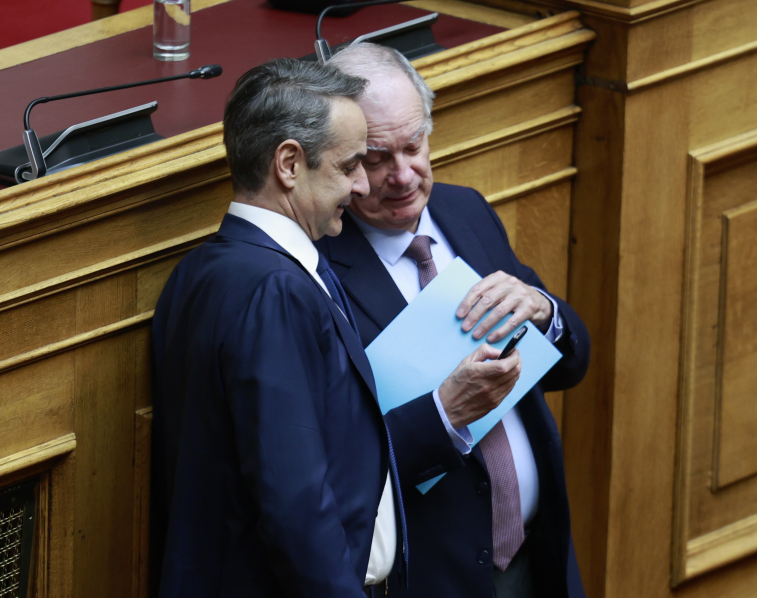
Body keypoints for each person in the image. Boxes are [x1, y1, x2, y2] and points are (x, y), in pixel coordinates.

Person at [319, 44, 591, 598]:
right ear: (340, 160)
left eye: (414, 145)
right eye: (376, 158)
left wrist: (543, 311)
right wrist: (445, 415)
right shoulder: (318, 274)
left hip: (539, 561)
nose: (403, 175)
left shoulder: (465, 210)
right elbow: (335, 468)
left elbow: (571, 364)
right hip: (433, 580)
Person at [151, 59, 395, 597]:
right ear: (289, 163)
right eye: (350, 165)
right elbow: (296, 503)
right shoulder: (276, 290)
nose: (362, 185)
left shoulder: (198, 270)